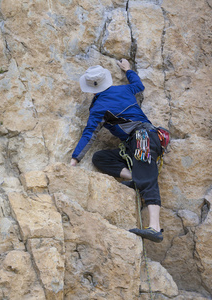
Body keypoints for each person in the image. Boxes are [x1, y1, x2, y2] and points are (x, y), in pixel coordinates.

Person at [70, 59, 164, 243]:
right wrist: (128, 70)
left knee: (148, 179)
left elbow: (89, 134)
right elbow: (139, 85)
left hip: (142, 139)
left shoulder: (98, 108)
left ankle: (155, 228)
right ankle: (136, 179)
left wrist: (74, 160)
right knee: (101, 158)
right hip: (142, 140)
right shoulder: (124, 89)